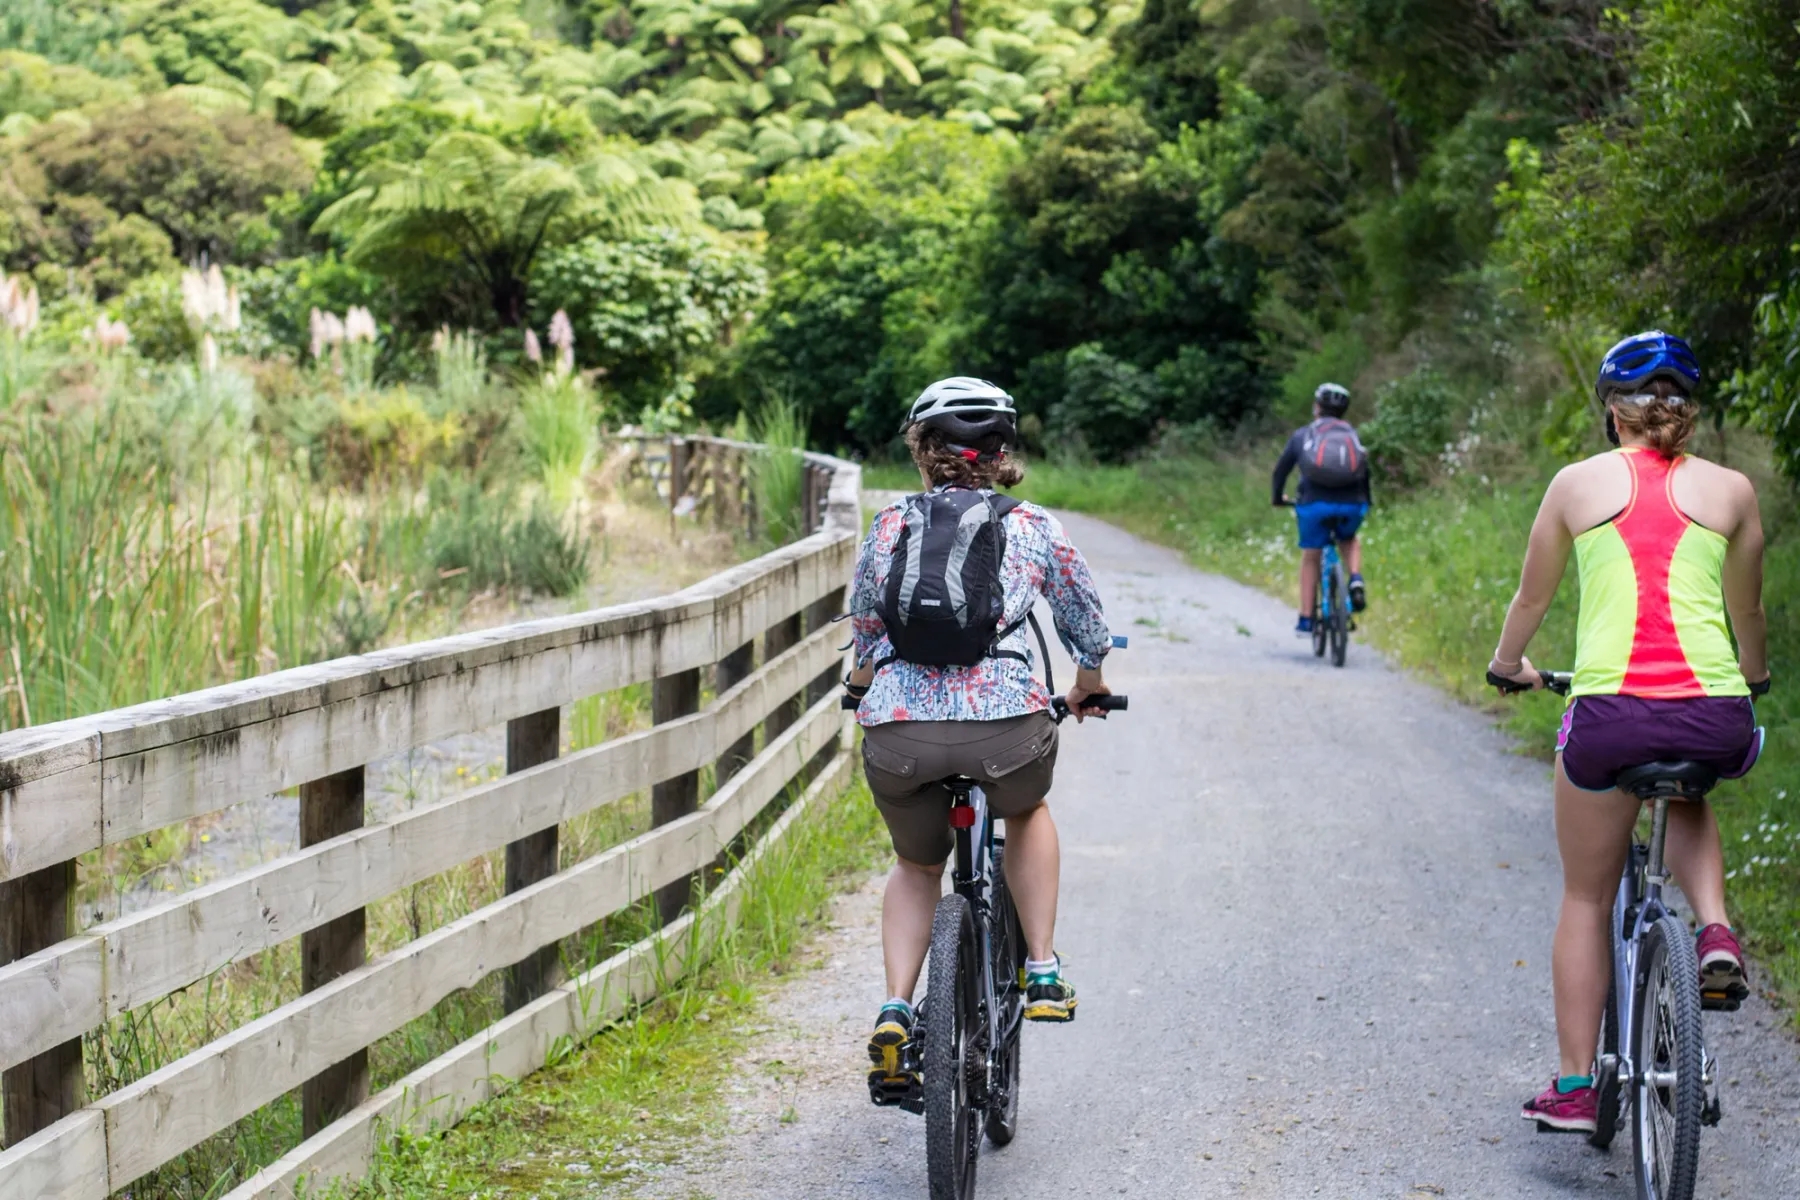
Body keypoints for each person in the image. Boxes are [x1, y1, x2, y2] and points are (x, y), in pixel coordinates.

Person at [1487, 330, 1769, 1134]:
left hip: (1612, 714)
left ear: (1614, 414)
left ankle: (1577, 1086)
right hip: (1715, 712)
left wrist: (1510, 663)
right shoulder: (1735, 491)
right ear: (1690, 414)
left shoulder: (1576, 485)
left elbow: (1532, 601)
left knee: (1584, 893)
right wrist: (1751, 680)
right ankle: (1713, 928)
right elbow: (1746, 610)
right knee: (1690, 786)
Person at [845, 376, 1114, 1098]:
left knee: (915, 865)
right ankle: (1045, 967)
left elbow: (866, 633)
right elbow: (1084, 617)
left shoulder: (889, 526)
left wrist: (864, 691)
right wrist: (1086, 683)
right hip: (1006, 729)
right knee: (1025, 810)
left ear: (923, 452)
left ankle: (897, 1009)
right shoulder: (1032, 525)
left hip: (900, 734)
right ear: (1000, 454)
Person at [1272, 382, 1372, 634]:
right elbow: (1364, 472)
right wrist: (1365, 502)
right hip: (1352, 504)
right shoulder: (1353, 435)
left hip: (1313, 505)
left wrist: (1277, 497)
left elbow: (1281, 470)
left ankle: (1306, 619)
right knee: (1349, 539)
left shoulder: (1303, 435)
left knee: (1311, 555)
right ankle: (1356, 579)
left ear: (1317, 407)